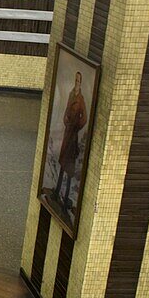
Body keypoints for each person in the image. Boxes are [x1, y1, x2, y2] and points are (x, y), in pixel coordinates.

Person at [53, 72, 87, 212]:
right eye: (76, 80)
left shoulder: (81, 99)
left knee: (69, 167)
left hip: (72, 136)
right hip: (68, 133)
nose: (77, 82)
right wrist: (66, 121)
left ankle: (66, 195)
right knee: (63, 163)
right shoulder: (71, 94)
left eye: (79, 80)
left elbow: (84, 118)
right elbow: (66, 110)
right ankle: (57, 192)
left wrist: (75, 126)